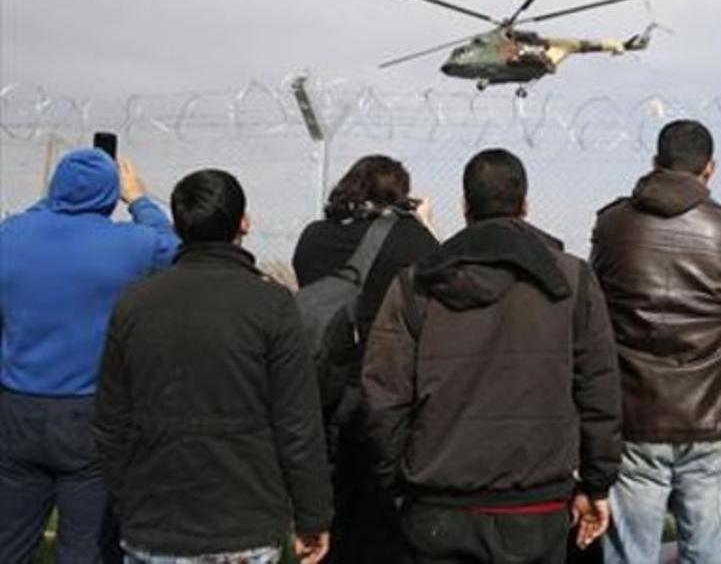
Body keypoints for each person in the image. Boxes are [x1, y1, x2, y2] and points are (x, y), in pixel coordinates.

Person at [362, 148, 622, 563]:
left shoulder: (416, 287)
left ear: (465, 206)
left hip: (439, 503)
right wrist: (596, 483)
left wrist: (394, 481)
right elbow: (599, 389)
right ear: (525, 205)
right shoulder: (571, 281)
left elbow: (384, 399)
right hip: (535, 504)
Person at [94, 169, 332, 564]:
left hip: (153, 520)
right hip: (242, 523)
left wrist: (129, 498)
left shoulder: (135, 303)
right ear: (243, 223)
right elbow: (297, 424)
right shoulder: (270, 305)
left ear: (177, 224)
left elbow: (110, 422)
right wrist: (312, 515)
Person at [590, 119, 721, 563]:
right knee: (708, 551)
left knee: (630, 553)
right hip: (712, 413)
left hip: (635, 411)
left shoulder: (612, 226)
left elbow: (597, 309)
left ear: (654, 163)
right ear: (710, 169)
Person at [0, 149, 177, 562]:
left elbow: (26, 220)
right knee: (85, 544)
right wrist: (139, 200)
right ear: (111, 193)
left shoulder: (11, 235)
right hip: (89, 410)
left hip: (17, 405)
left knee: (11, 538)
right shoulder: (132, 244)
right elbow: (176, 248)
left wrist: (56, 198)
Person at [292, 155, 439, 563]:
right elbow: (438, 286)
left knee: (331, 516)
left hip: (323, 388)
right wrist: (423, 225)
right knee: (380, 526)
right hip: (386, 392)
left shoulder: (313, 239)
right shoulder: (412, 241)